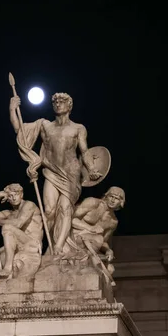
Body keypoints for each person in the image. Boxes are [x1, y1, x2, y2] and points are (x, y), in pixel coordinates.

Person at [9, 92, 101, 255]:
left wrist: (92, 169)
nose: (58, 104)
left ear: (69, 106)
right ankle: (50, 246)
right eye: (56, 102)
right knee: (50, 211)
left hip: (71, 174)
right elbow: (20, 130)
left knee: (65, 209)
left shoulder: (78, 128)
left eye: (62, 101)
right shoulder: (45, 125)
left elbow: (85, 151)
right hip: (51, 171)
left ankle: (58, 248)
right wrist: (12, 109)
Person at [0, 183, 43, 279]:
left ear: (21, 195)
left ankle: (8, 267)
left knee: (7, 227)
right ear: (7, 198)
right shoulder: (9, 213)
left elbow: (18, 223)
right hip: (19, 245)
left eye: (16, 194)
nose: (14, 198)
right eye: (10, 196)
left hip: (32, 244)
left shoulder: (29, 205)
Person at [71, 186, 126, 261]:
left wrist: (108, 250)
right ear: (106, 196)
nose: (113, 200)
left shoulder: (113, 222)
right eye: (111, 196)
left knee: (109, 269)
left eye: (117, 198)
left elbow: (103, 242)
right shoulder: (92, 202)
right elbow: (71, 219)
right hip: (73, 236)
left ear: (121, 202)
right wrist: (90, 228)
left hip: (91, 245)